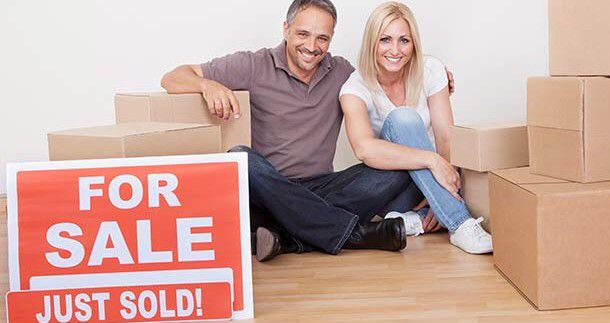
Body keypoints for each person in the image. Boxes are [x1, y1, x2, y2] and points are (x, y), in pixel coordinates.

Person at [161, 0, 452, 262]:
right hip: (268, 190)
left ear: (331, 39)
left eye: (322, 38)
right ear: (286, 29)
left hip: (324, 189)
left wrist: (435, 76)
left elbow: (388, 70)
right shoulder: (252, 64)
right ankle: (357, 234)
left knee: (398, 167)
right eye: (303, 34)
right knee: (240, 159)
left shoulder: (342, 73)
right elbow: (172, 78)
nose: (312, 46)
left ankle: (286, 238)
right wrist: (206, 84)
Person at [339, 2, 492, 254]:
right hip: (394, 189)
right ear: (371, 43)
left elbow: (445, 136)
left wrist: (441, 195)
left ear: (414, 44)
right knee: (404, 119)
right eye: (385, 40)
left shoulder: (431, 70)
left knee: (412, 125)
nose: (395, 50)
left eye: (404, 41)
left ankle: (418, 220)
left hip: (439, 180)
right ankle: (460, 222)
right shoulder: (354, 88)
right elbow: (364, 149)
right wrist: (432, 161)